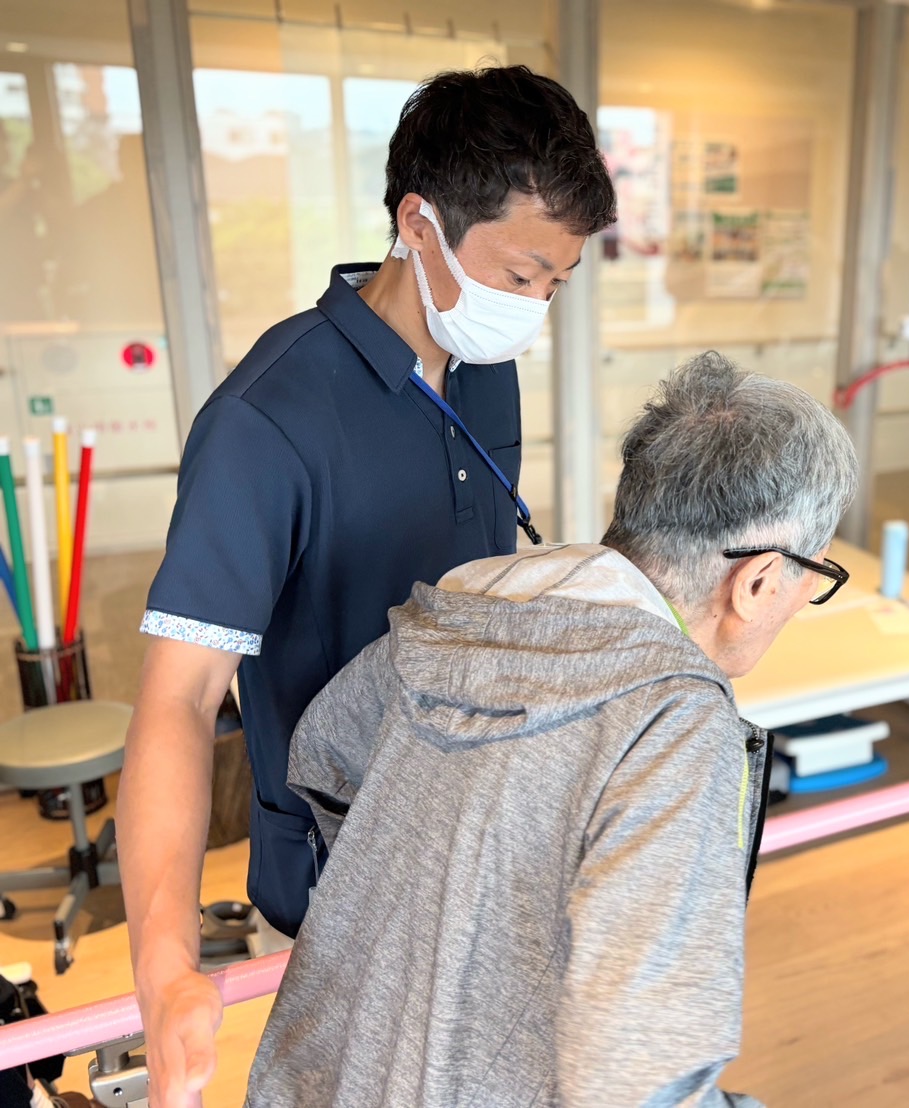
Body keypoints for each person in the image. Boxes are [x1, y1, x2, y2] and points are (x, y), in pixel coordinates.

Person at [116, 66, 615, 1108]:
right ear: (418, 225)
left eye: (557, 284)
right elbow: (178, 700)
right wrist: (165, 971)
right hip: (341, 889)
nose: (533, 308)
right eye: (521, 274)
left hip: (481, 858)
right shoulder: (267, 420)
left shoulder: (483, 371)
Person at [244, 353, 858, 1106]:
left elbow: (321, 754)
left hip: (315, 1078)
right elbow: (636, 1073)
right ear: (758, 580)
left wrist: (438, 909)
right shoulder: (673, 721)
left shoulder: (453, 617)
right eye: (813, 579)